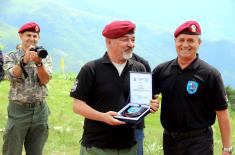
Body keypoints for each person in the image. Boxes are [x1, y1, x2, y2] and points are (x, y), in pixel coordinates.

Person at [70, 20, 159, 155]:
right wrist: (103, 117)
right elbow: (77, 106)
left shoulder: (139, 68)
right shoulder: (91, 69)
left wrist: (150, 105)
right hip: (97, 146)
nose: (131, 44)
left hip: (129, 145)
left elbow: (141, 102)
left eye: (133, 39)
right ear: (109, 41)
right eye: (125, 40)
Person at [151, 20, 233, 155]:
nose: (185, 45)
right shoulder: (161, 70)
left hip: (199, 142)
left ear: (199, 43)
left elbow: (222, 113)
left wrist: (227, 149)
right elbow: (145, 97)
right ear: (175, 41)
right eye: (181, 40)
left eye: (190, 40)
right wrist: (149, 103)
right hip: (170, 141)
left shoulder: (210, 74)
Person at [2, 22, 52, 155]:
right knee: (12, 150)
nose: (32, 38)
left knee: (36, 151)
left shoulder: (44, 55)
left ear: (38, 38)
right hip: (19, 109)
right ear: (20, 36)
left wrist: (39, 63)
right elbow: (12, 76)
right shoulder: (11, 56)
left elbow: (45, 80)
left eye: (35, 36)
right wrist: (23, 61)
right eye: (28, 35)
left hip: (40, 109)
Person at [131, 53, 151, 155]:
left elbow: (150, 92)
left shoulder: (142, 64)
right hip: (108, 125)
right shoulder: (99, 66)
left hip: (136, 127)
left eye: (132, 39)